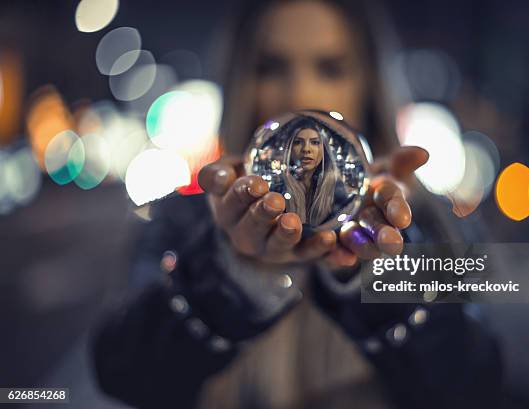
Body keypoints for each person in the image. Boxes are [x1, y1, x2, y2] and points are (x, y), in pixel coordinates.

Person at [91, 1, 502, 408]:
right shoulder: (186, 223)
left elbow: (477, 384)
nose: (299, 94)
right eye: (271, 67)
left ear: (368, 82)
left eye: (330, 68)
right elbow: (121, 371)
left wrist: (380, 276)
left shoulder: (426, 225)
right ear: (239, 79)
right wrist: (233, 274)